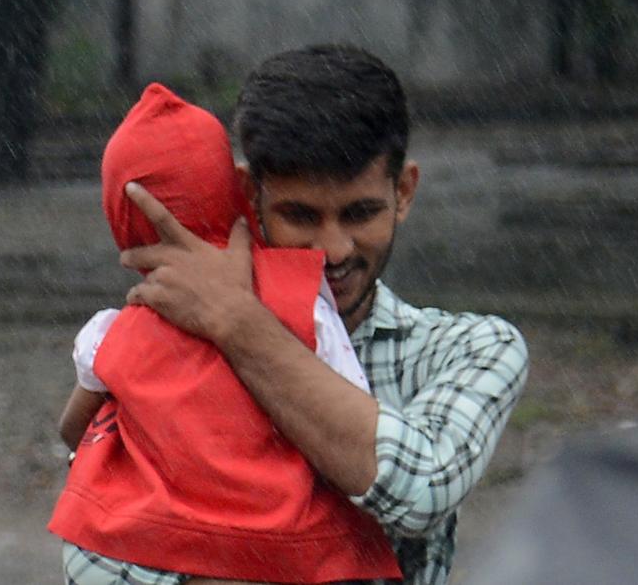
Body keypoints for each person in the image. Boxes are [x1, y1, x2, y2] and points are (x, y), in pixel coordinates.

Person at [113, 44, 530, 584]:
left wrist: (239, 326)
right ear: (248, 194)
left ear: (403, 191)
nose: (334, 249)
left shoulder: (470, 349)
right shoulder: (170, 347)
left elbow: (419, 490)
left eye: (360, 213)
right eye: (301, 216)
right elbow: (98, 561)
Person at [48, 83, 402, 583]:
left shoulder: (112, 332)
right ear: (238, 193)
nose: (334, 250)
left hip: (158, 542)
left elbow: (74, 431)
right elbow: (348, 417)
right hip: (293, 543)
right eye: (303, 215)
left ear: (118, 221)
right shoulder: (301, 298)